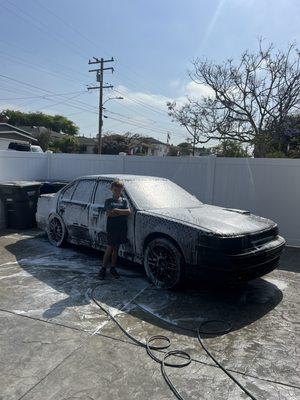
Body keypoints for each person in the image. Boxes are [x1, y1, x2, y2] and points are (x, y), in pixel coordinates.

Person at [98, 180, 131, 280]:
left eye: (119, 190)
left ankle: (113, 268)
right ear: (112, 189)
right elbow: (109, 214)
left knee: (116, 248)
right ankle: (103, 269)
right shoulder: (108, 201)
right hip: (112, 227)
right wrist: (121, 212)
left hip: (121, 227)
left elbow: (128, 211)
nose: (117, 191)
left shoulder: (124, 201)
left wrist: (116, 210)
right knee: (109, 248)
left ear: (122, 190)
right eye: (115, 189)